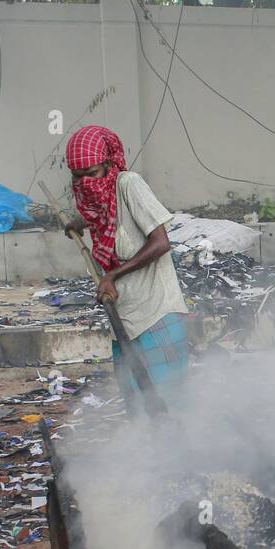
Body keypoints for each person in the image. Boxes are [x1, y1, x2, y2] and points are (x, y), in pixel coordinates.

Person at [64, 125, 189, 414]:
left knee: (166, 398)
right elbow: (103, 216)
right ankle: (143, 455)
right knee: (135, 399)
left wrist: (113, 275)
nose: (85, 183)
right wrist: (78, 224)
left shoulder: (128, 183)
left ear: (108, 164)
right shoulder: (95, 195)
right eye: (77, 177)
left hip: (156, 315)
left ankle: (179, 455)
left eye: (92, 174)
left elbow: (160, 243)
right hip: (125, 316)